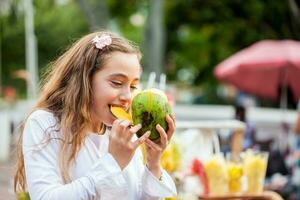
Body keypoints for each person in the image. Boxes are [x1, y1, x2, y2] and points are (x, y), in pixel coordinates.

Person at [14, 31, 177, 200]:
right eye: (117, 83)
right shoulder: (45, 124)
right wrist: (113, 162)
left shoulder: (123, 133)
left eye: (133, 86)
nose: (128, 96)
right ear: (84, 79)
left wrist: (153, 162)